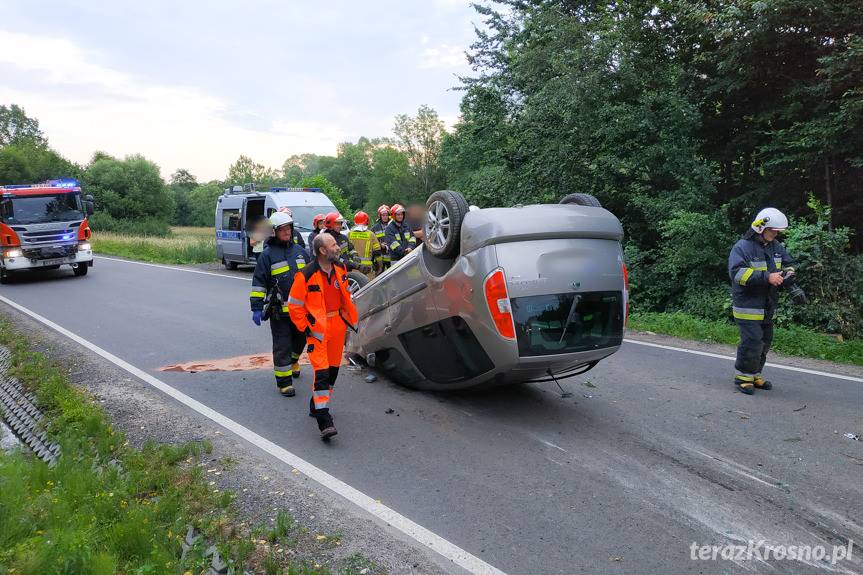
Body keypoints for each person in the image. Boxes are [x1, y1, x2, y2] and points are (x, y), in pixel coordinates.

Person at [288, 233, 358, 441]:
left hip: (337, 326)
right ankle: (323, 419)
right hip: (317, 330)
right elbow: (294, 305)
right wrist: (306, 327)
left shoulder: (340, 269)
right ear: (322, 251)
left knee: (333, 373)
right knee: (322, 374)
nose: (338, 247)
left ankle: (315, 405)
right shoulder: (305, 275)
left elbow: (345, 296)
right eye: (334, 245)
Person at [728, 207, 796, 395]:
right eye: (772, 230)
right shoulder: (742, 247)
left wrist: (789, 273)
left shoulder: (775, 246)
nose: (775, 234)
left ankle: (755, 373)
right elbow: (738, 274)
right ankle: (743, 376)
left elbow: (788, 262)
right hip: (747, 305)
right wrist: (767, 277)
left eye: (777, 231)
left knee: (765, 340)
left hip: (767, 305)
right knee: (752, 340)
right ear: (760, 227)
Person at [250, 211, 310, 397]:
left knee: (300, 341)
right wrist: (257, 308)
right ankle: (284, 382)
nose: (287, 232)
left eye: (289, 228)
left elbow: (312, 279)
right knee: (282, 345)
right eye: (282, 229)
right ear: (274, 232)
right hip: (279, 312)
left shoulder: (301, 253)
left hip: (301, 311)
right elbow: (259, 283)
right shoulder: (267, 256)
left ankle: (293, 361)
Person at [348, 211, 382, 276]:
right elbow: (377, 253)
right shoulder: (371, 234)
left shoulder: (349, 234)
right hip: (367, 269)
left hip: (353, 268)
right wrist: (380, 267)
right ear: (367, 221)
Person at [371, 205, 391, 270]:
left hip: (391, 256)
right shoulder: (374, 228)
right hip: (379, 257)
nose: (385, 217)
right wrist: (380, 245)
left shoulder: (393, 225)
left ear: (389, 215)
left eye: (386, 215)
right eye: (383, 215)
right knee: (380, 275)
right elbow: (372, 242)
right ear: (380, 216)